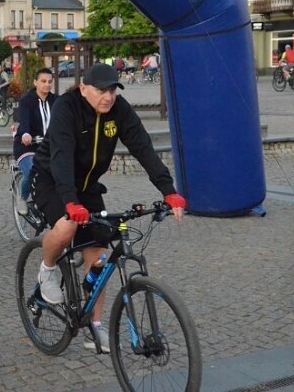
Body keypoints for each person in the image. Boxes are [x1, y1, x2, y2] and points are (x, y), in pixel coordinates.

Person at [30, 63, 186, 349]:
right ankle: (48, 268)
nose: (108, 96)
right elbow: (61, 157)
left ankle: (95, 325)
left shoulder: (118, 110)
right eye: (102, 90)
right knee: (66, 228)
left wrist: (168, 190)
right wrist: (70, 201)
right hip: (52, 180)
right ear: (84, 88)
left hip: (88, 188)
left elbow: (142, 146)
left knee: (99, 260)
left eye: (113, 89)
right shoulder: (67, 108)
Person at [13, 68, 57, 215]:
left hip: (49, 146)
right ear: (35, 82)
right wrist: (25, 133)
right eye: (43, 81)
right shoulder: (27, 101)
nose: (47, 85)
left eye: (50, 82)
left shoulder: (56, 100)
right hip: (27, 146)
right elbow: (24, 121)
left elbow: (63, 121)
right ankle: (23, 198)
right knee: (32, 170)